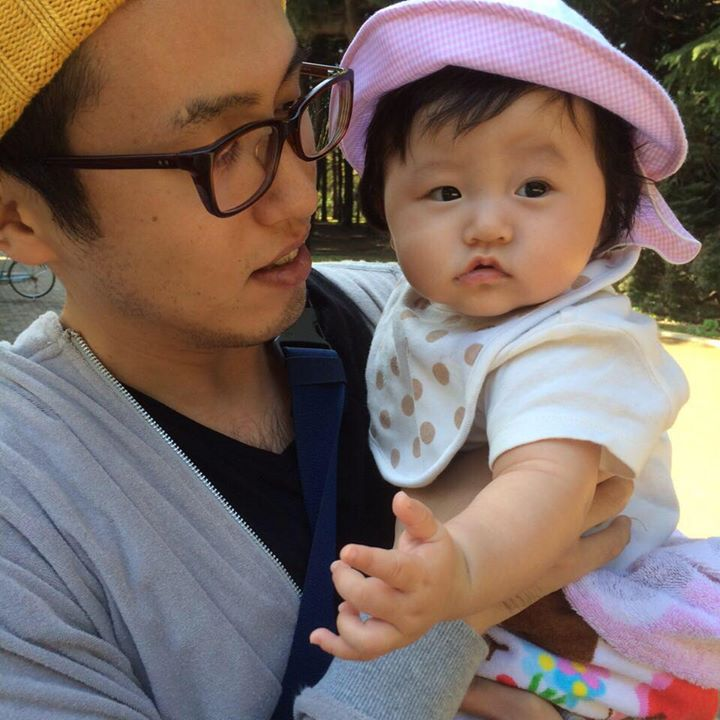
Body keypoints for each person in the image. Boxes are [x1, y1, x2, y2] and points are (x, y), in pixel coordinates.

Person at [0, 1, 635, 719]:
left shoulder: (430, 326)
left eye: (290, 110)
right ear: (18, 218)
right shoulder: (25, 514)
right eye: (218, 152)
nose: (300, 195)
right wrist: (447, 619)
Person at [309, 1, 720, 718]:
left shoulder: (578, 341)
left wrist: (460, 569)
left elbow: (546, 481)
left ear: (609, 208)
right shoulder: (420, 309)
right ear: (387, 209)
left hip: (584, 624)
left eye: (534, 188)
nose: (489, 225)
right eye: (444, 192)